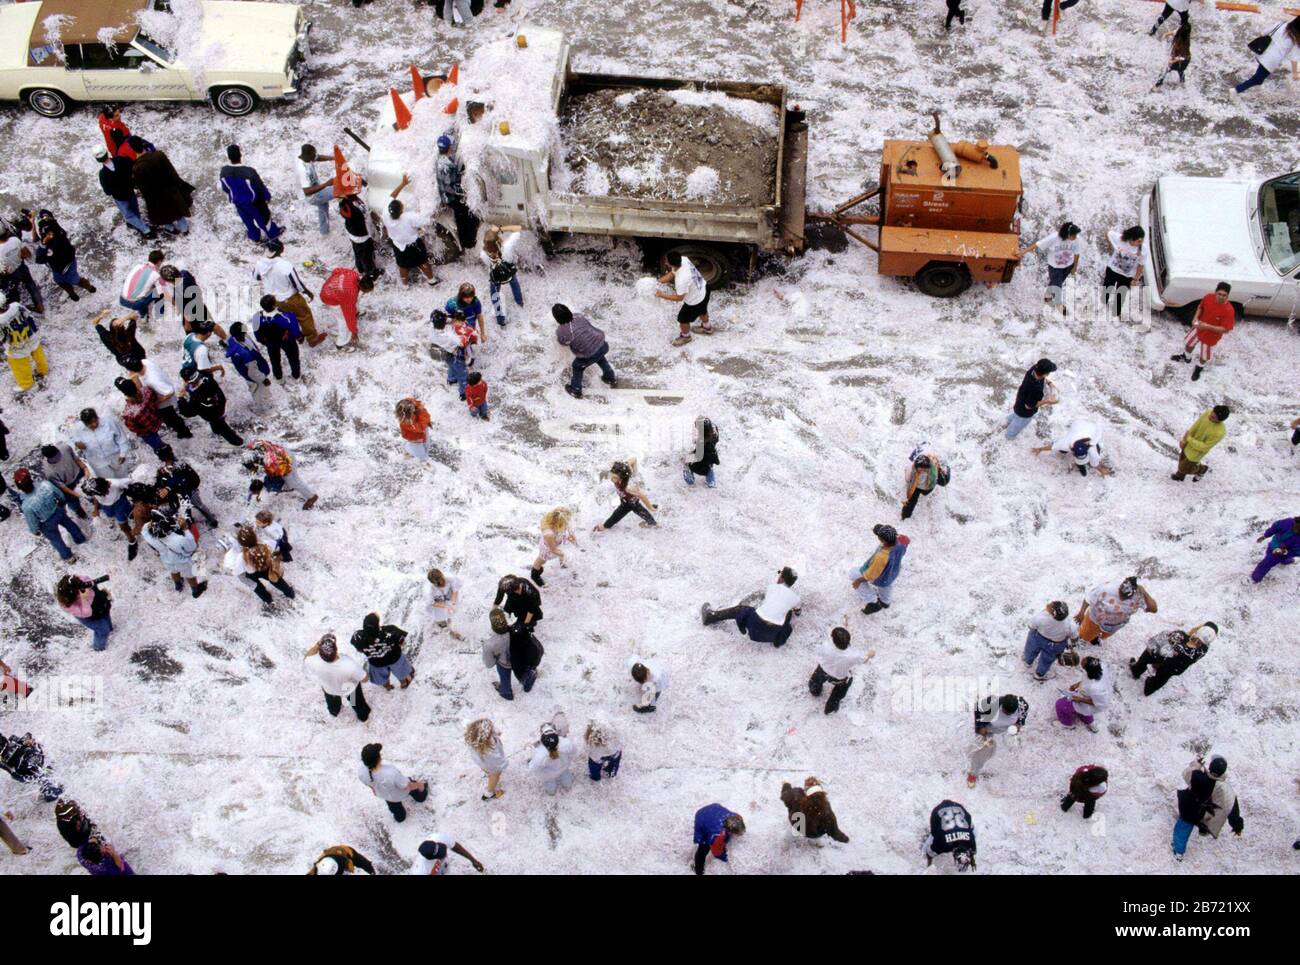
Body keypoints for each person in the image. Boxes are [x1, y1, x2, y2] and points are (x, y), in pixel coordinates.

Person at [701, 566, 801, 648]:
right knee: (788, 612)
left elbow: (764, 600)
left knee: (742, 610)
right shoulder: (796, 599)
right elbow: (798, 613)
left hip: (756, 628)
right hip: (772, 634)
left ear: (782, 578)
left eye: (779, 573)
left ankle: (711, 616)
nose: (778, 576)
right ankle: (777, 641)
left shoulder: (771, 587)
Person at [254, 241, 326, 347]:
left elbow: (256, 277)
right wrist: (307, 291)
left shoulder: (260, 264)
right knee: (304, 316)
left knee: (287, 318)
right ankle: (312, 338)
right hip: (290, 298)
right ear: (280, 250)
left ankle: (296, 335)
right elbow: (296, 283)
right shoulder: (285, 265)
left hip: (274, 300)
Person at [1173, 755, 1243, 860]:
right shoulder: (1225, 790)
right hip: (1205, 814)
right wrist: (1237, 826)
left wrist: (1196, 764)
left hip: (1189, 811)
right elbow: (1232, 809)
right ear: (1223, 772)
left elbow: (1186, 773)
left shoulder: (1197, 777)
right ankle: (1204, 829)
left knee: (1182, 830)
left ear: (1210, 767)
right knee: (1206, 820)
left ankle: (1178, 852)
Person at [12, 468, 86, 562]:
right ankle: (80, 539)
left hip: (46, 523)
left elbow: (32, 521)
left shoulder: (26, 505)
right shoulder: (45, 484)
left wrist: (35, 531)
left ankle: (68, 557)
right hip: (57, 510)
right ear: (31, 479)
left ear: (19, 488)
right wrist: (61, 504)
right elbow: (60, 495)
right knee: (70, 524)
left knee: (56, 540)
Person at [1130, 623, 1215, 696]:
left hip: (1164, 657)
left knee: (1148, 655)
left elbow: (1166, 642)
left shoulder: (1179, 638)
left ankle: (1136, 670)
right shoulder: (1203, 650)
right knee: (1162, 677)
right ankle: (1149, 689)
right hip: (1176, 668)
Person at [1171, 283, 1234, 380]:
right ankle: (1186, 357)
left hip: (1211, 336)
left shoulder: (1229, 310)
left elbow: (1225, 330)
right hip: (1199, 327)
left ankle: (1199, 367)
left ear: (1227, 296)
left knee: (1204, 355)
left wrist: (1207, 326)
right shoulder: (1208, 297)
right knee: (1188, 343)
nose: (1221, 297)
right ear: (1215, 292)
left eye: (1224, 295)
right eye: (1219, 294)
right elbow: (1200, 307)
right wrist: (1195, 318)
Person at [219, 144, 281, 243]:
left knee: (248, 222)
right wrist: (267, 196)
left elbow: (225, 188)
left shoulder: (223, 171)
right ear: (240, 155)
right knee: (264, 220)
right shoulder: (249, 172)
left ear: (229, 157)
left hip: (238, 203)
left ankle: (255, 237)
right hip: (254, 203)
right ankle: (273, 235)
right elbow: (260, 187)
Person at [130, 138, 193, 235]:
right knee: (177, 211)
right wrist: (177, 185)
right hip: (170, 190)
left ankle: (171, 229)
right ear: (143, 145)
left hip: (155, 197)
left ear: (133, 150)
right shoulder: (159, 155)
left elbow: (143, 188)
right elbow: (172, 172)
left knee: (163, 214)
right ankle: (184, 229)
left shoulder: (137, 168)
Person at [121, 356, 193, 441]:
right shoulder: (145, 362)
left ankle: (185, 433)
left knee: (172, 420)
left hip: (164, 404)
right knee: (172, 419)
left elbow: (170, 392)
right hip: (160, 390)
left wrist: (157, 402)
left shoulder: (153, 381)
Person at [32, 211, 96, 303]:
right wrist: (44, 217)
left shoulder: (56, 241)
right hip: (56, 268)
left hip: (67, 266)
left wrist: (44, 243)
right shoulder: (56, 228)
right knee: (60, 282)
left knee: (76, 281)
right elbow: (44, 213)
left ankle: (90, 288)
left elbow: (39, 259)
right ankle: (72, 294)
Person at [554, 304, 616, 398]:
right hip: (602, 345)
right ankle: (610, 377)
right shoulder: (578, 316)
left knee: (577, 366)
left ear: (557, 319)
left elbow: (563, 342)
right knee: (600, 357)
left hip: (588, 354)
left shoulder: (561, 331)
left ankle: (576, 389)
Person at [384, 177, 438, 286]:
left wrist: (402, 184)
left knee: (403, 265)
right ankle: (431, 280)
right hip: (413, 245)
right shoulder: (409, 217)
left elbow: (392, 196)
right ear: (401, 211)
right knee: (423, 262)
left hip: (398, 245)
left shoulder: (386, 213)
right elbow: (426, 220)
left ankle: (405, 284)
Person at [304, 633, 369, 721]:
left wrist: (319, 643)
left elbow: (307, 655)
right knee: (356, 703)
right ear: (336, 649)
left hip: (329, 689)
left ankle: (334, 711)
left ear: (320, 651)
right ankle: (363, 716)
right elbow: (364, 679)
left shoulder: (313, 662)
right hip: (349, 689)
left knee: (332, 703)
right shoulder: (348, 664)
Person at [809, 626, 874, 715]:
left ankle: (814, 690)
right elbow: (864, 659)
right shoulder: (852, 655)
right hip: (838, 677)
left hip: (822, 670)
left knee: (815, 680)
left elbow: (817, 650)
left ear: (833, 640)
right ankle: (830, 708)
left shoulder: (826, 646)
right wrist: (870, 654)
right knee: (841, 689)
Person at [967, 693, 1028, 787]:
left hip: (1007, 729)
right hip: (989, 728)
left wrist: (1018, 725)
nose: (1008, 714)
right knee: (982, 751)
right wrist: (980, 727)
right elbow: (977, 709)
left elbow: (1022, 717)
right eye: (1005, 712)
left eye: (1010, 713)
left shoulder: (1022, 705)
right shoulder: (990, 704)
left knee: (1013, 745)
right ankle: (973, 772)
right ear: (1002, 705)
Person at [482, 606, 542, 700]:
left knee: (504, 676)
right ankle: (528, 683)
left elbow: (489, 664)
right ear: (505, 620)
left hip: (504, 664)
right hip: (520, 661)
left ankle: (506, 692)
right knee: (526, 674)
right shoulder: (517, 630)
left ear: (492, 626)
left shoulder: (489, 645)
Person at [1075, 576, 1157, 644]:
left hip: (1115, 626)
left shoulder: (1138, 596)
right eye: (1121, 593)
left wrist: (1144, 591)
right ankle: (1083, 640)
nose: (1122, 597)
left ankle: (1095, 639)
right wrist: (1081, 613)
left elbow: (1153, 609)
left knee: (1101, 637)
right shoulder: (1106, 588)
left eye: (1126, 596)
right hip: (1094, 621)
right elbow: (1088, 598)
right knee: (1085, 636)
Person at [140, 515, 207, 598]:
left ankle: (178, 586)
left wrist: (151, 523)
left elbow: (144, 530)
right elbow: (192, 547)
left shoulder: (152, 539)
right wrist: (185, 529)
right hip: (183, 562)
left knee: (174, 571)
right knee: (190, 575)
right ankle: (195, 591)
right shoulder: (178, 539)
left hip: (167, 560)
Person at [357, 743, 427, 822]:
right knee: (419, 794)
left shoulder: (361, 773)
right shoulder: (391, 773)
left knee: (397, 812)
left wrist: (375, 790)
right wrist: (419, 785)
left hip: (387, 797)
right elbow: (407, 785)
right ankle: (421, 798)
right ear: (378, 759)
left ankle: (400, 818)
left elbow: (369, 784)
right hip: (401, 793)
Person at [179, 362, 244, 447]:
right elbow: (206, 371)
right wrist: (218, 367)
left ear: (188, 381)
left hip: (213, 413)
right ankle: (218, 429)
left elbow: (188, 413)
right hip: (219, 400)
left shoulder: (195, 397)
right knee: (217, 424)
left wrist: (181, 399)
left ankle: (239, 443)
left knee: (222, 428)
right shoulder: (206, 376)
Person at [1019, 223, 1081, 311]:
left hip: (1068, 266)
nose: (1075, 237)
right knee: (1057, 285)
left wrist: (1074, 267)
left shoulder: (1075, 240)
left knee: (1056, 283)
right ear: (1067, 234)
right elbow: (1037, 244)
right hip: (1055, 267)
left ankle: (1047, 296)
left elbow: (1077, 253)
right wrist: (1023, 252)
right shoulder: (1054, 238)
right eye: (1073, 235)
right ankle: (1059, 304)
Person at [851, 523, 910, 615]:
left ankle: (872, 601)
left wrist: (858, 580)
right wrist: (885, 531)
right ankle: (885, 602)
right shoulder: (901, 544)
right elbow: (905, 538)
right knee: (886, 585)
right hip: (892, 571)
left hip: (880, 576)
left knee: (853, 574)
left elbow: (871, 575)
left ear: (883, 540)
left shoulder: (882, 557)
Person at [95, 147, 152, 238]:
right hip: (130, 190)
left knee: (128, 215)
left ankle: (145, 230)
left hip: (120, 197)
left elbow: (107, 191)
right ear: (107, 153)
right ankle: (136, 222)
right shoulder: (121, 160)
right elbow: (133, 167)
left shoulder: (103, 174)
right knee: (134, 209)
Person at [245, 439, 318, 511]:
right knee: (284, 481)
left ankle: (311, 497)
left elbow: (285, 471)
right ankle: (289, 487)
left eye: (252, 467)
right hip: (280, 454)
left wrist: (278, 483)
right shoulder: (254, 447)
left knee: (293, 482)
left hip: (287, 461)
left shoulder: (271, 463)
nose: (252, 469)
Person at [655, 251, 710, 345]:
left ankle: (686, 336)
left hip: (695, 301)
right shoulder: (683, 259)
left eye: (666, 261)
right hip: (704, 288)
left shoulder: (681, 280)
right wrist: (657, 282)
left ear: (671, 263)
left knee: (682, 319)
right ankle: (707, 327)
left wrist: (661, 295)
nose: (665, 262)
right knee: (702, 310)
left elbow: (679, 297)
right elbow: (672, 273)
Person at [1233, 16, 1300, 93]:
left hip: (1262, 52)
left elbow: (1264, 32)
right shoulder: (1296, 40)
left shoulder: (1282, 24)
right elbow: (1295, 58)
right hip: (1270, 60)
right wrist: (1296, 74)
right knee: (1258, 80)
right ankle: (1236, 90)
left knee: (1260, 71)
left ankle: (1243, 73)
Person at [351, 613, 413, 690]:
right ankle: (404, 682)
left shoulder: (358, 637)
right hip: (394, 658)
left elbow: (359, 649)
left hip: (376, 663)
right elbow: (402, 642)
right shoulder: (390, 631)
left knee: (380, 676)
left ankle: (387, 686)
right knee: (401, 671)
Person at [436, 136, 478, 250]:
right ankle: (468, 242)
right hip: (451, 198)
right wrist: (465, 191)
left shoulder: (441, 158)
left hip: (448, 195)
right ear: (449, 147)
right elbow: (449, 187)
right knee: (464, 215)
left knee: (463, 215)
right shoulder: (446, 165)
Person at [236, 525, 295, 605]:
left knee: (258, 588)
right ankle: (290, 593)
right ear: (255, 537)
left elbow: (239, 573)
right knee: (278, 581)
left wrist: (250, 583)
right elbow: (275, 549)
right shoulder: (266, 544)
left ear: (241, 544)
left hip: (252, 573)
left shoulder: (241, 558)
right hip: (266, 567)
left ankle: (268, 600)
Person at [1031, 419, 1113, 477]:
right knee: (1062, 450)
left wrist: (1101, 469)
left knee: (1094, 457)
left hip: (1091, 428)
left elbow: (1096, 461)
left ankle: (1082, 465)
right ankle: (1079, 464)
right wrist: (1040, 449)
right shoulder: (1065, 443)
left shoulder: (1093, 443)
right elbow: (1053, 446)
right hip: (1077, 424)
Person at [54, 573, 113, 652]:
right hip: (90, 617)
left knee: (106, 615)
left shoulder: (77, 580)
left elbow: (86, 578)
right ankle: (98, 647)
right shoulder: (68, 605)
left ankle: (110, 629)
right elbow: (86, 613)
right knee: (102, 629)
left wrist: (86, 583)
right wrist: (84, 599)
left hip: (100, 605)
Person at [250, 295, 303, 382]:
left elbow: (257, 335)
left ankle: (278, 377)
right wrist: (299, 337)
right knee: (293, 358)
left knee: (274, 360)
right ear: (274, 305)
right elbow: (295, 331)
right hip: (286, 341)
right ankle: (296, 374)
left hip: (270, 343)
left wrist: (265, 342)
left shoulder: (256, 317)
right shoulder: (287, 316)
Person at [1021, 600, 1078, 680]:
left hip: (1037, 637)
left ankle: (1027, 661)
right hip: (1055, 644)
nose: (1048, 604)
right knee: (1047, 659)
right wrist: (1071, 645)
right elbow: (1074, 637)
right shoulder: (1070, 624)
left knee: (1031, 649)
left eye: (1051, 605)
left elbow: (1031, 627)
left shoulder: (1041, 617)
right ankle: (1039, 674)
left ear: (1053, 613)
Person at [594, 459, 657, 530]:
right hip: (624, 499)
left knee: (622, 513)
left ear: (622, 478)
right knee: (616, 515)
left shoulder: (628, 487)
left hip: (631, 503)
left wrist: (650, 507)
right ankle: (605, 526)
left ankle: (653, 524)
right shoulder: (620, 469)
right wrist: (633, 472)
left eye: (615, 478)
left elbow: (641, 496)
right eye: (612, 475)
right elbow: (634, 459)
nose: (612, 479)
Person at [781, 777, 850, 842]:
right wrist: (845, 839)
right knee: (815, 834)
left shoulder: (796, 797)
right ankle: (815, 841)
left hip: (798, 826)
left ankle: (788, 840)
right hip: (816, 833)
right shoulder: (827, 810)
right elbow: (835, 832)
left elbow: (785, 795)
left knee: (794, 831)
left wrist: (786, 785)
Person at [0, 733, 62, 802]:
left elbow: (13, 773)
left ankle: (50, 787)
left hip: (25, 762)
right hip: (27, 761)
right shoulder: (14, 741)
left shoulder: (14, 742)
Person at [481, 225, 524, 325]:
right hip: (509, 273)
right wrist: (500, 229)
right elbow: (518, 228)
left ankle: (500, 320)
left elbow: (489, 264)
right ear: (499, 239)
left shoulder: (483, 254)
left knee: (495, 295)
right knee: (514, 284)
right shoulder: (507, 247)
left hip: (495, 277)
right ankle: (520, 303)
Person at [320, 266, 371, 349]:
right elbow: (349, 316)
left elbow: (337, 270)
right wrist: (354, 332)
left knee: (356, 299)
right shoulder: (350, 295)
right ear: (362, 288)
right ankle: (341, 343)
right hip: (329, 297)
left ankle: (356, 312)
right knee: (343, 320)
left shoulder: (353, 274)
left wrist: (337, 283)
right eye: (367, 291)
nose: (367, 293)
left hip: (328, 286)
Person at [1055, 656, 1110, 732]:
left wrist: (1080, 699)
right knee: (1085, 711)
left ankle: (1066, 724)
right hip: (1087, 696)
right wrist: (1077, 685)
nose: (1082, 660)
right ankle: (1089, 721)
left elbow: (1100, 704)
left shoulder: (1096, 689)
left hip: (1089, 702)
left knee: (1060, 705)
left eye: (1083, 666)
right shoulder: (1099, 667)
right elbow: (1087, 679)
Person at [1172, 405, 1228, 481]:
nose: (1210, 417)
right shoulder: (1208, 413)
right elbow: (1195, 426)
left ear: (1220, 421)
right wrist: (1184, 440)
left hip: (1196, 453)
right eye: (1212, 413)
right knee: (1182, 459)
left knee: (1183, 468)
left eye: (1213, 417)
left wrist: (1189, 439)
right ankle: (1180, 476)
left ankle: (1202, 469)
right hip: (1188, 443)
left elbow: (1205, 447)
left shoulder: (1220, 432)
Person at [2, 299, 47, 392]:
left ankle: (26, 383)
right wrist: (34, 330)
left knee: (18, 364)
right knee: (38, 353)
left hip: (17, 346)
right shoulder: (16, 305)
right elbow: (29, 317)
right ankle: (43, 370)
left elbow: (2, 339)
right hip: (30, 336)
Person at [72, 408, 130, 479]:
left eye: (95, 421)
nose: (94, 424)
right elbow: (75, 442)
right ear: (84, 423)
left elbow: (121, 438)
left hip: (116, 457)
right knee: (109, 483)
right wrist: (77, 444)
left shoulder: (108, 422)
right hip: (98, 463)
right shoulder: (78, 429)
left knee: (124, 479)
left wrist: (123, 454)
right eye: (90, 423)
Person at [224, 322, 273, 405]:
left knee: (254, 387)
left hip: (249, 368)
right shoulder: (245, 354)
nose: (245, 333)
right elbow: (252, 372)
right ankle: (263, 407)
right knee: (260, 391)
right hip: (255, 374)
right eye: (244, 332)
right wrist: (263, 379)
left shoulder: (233, 339)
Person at [1102, 225, 1144, 319]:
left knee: (1120, 295)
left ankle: (1116, 313)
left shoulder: (1142, 250)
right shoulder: (1120, 239)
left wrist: (1135, 279)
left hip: (1127, 276)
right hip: (1112, 270)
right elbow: (1108, 233)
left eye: (1141, 240)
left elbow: (1141, 266)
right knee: (1107, 288)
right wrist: (1113, 246)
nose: (1140, 243)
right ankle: (1103, 305)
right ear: (1131, 239)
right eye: (1138, 241)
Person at [115, 377, 166, 452]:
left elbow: (134, 429)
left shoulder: (128, 413)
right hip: (158, 420)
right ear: (134, 385)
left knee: (160, 449)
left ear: (122, 392)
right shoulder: (147, 391)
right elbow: (155, 399)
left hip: (149, 433)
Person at [0, 225, 43, 313]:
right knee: (30, 284)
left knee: (13, 293)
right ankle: (39, 306)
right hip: (21, 267)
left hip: (11, 275)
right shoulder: (14, 240)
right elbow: (26, 253)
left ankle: (17, 311)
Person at [39, 444, 87, 519]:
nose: (59, 457)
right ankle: (79, 511)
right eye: (56, 457)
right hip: (68, 485)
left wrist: (85, 469)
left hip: (78, 473)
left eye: (58, 453)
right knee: (72, 501)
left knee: (89, 489)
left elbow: (76, 459)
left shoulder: (65, 448)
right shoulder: (50, 473)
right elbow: (63, 487)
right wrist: (77, 494)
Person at [693, 804, 744, 875]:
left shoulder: (738, 818)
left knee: (721, 840)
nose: (740, 835)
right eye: (738, 833)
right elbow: (717, 852)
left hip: (714, 809)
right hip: (702, 817)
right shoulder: (717, 835)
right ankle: (698, 870)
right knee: (703, 849)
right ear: (729, 831)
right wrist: (727, 858)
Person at [901, 445, 949, 519]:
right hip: (916, 482)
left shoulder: (934, 463)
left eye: (926, 471)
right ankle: (903, 518)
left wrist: (943, 469)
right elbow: (909, 485)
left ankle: (947, 466)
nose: (924, 473)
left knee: (944, 481)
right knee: (910, 504)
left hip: (933, 465)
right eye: (921, 471)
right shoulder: (909, 472)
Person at [529, 721, 577, 795]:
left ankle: (551, 791)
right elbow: (574, 750)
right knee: (566, 776)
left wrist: (536, 748)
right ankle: (568, 784)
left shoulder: (540, 754)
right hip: (564, 767)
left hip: (549, 774)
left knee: (549, 783)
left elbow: (534, 767)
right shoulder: (566, 743)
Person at [296, 144, 335, 235]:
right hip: (312, 196)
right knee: (339, 190)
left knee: (324, 207)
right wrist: (326, 184)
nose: (315, 156)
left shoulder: (306, 156)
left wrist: (333, 158)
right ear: (307, 155)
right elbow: (307, 191)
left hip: (316, 187)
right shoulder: (302, 170)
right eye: (313, 155)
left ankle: (324, 231)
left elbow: (318, 157)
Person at [531, 507, 575, 587]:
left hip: (556, 541)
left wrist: (572, 537)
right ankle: (534, 575)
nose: (568, 522)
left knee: (561, 551)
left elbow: (568, 529)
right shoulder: (549, 534)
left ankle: (563, 563)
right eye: (567, 521)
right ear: (559, 522)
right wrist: (563, 555)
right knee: (541, 560)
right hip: (548, 547)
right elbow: (553, 549)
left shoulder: (556, 521)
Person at [338, 196, 380, 280]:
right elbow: (365, 221)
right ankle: (371, 273)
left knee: (357, 252)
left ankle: (360, 268)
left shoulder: (344, 207)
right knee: (366, 257)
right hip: (362, 238)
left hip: (354, 236)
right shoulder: (356, 212)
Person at [465, 718, 507, 800]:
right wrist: (503, 764)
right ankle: (489, 793)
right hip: (491, 765)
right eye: (491, 730)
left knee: (488, 770)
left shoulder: (476, 741)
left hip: (482, 762)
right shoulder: (488, 753)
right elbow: (497, 764)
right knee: (495, 776)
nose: (493, 730)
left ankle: (487, 772)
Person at [1251, 516, 1300, 583]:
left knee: (1272, 560)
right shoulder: (1287, 522)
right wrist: (1265, 536)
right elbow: (1274, 528)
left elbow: (1297, 551)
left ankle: (1255, 577)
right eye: (1296, 526)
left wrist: (1285, 552)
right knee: (1268, 560)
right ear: (1296, 521)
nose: (1296, 530)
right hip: (1274, 545)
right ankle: (1256, 577)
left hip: (1284, 552)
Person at [118, 249, 166, 317]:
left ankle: (144, 315)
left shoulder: (137, 266)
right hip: (135, 304)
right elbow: (162, 288)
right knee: (160, 291)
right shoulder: (156, 275)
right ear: (159, 261)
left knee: (144, 289)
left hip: (122, 300)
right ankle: (159, 315)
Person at [414, 835, 485, 875]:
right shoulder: (420, 871)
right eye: (440, 854)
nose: (444, 853)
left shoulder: (438, 838)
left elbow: (455, 846)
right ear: (431, 858)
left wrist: (473, 860)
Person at [683, 416, 719, 487]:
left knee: (686, 462)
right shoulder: (714, 433)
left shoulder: (701, 441)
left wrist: (686, 458)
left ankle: (690, 482)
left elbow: (697, 456)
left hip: (701, 462)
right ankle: (711, 483)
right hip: (711, 457)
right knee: (709, 464)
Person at [425, 568, 461, 638]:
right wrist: (446, 606)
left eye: (442, 580)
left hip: (448, 599)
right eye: (438, 583)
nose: (441, 583)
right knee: (444, 625)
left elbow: (455, 592)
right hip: (436, 606)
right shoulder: (430, 590)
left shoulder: (451, 579)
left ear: (442, 575)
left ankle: (454, 632)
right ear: (433, 583)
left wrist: (452, 605)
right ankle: (450, 631)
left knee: (453, 616)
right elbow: (431, 603)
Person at [1155, 21, 1192, 88]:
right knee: (1181, 71)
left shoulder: (1183, 44)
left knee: (1165, 70)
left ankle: (1157, 86)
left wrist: (1172, 61)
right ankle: (1182, 82)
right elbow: (1171, 33)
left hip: (1183, 60)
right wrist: (1165, 35)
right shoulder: (1183, 35)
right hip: (1184, 60)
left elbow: (1182, 57)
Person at [308, 845, 374, 876]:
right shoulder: (319, 867)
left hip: (348, 852)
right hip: (329, 853)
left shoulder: (344, 862)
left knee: (368, 867)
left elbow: (352, 871)